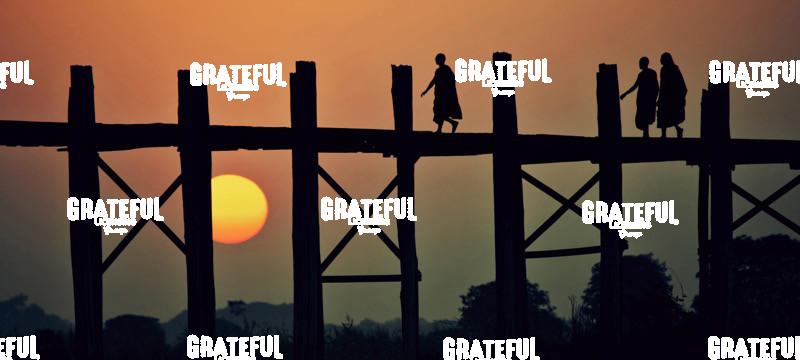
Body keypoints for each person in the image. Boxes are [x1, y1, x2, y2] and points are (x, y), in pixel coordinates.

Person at [421, 53, 462, 133]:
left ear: (441, 60)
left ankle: (451, 124)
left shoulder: (446, 69)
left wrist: (447, 91)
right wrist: (426, 91)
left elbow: (452, 80)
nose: (436, 60)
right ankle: (446, 126)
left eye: (437, 59)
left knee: (440, 111)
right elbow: (433, 81)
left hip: (444, 96)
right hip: (439, 95)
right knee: (438, 111)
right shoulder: (438, 70)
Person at [621, 57, 659, 138]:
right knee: (642, 118)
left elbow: (656, 87)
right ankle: (646, 134)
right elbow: (635, 86)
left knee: (645, 117)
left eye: (640, 63)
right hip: (642, 99)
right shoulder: (641, 74)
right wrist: (625, 94)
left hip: (647, 99)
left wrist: (655, 98)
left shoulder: (651, 73)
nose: (639, 64)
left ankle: (646, 134)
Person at [656, 52, 687, 138]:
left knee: (667, 113)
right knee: (665, 114)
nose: (660, 61)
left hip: (671, 96)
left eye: (662, 59)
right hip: (667, 95)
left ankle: (667, 133)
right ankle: (672, 130)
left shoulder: (671, 69)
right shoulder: (666, 69)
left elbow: (679, 84)